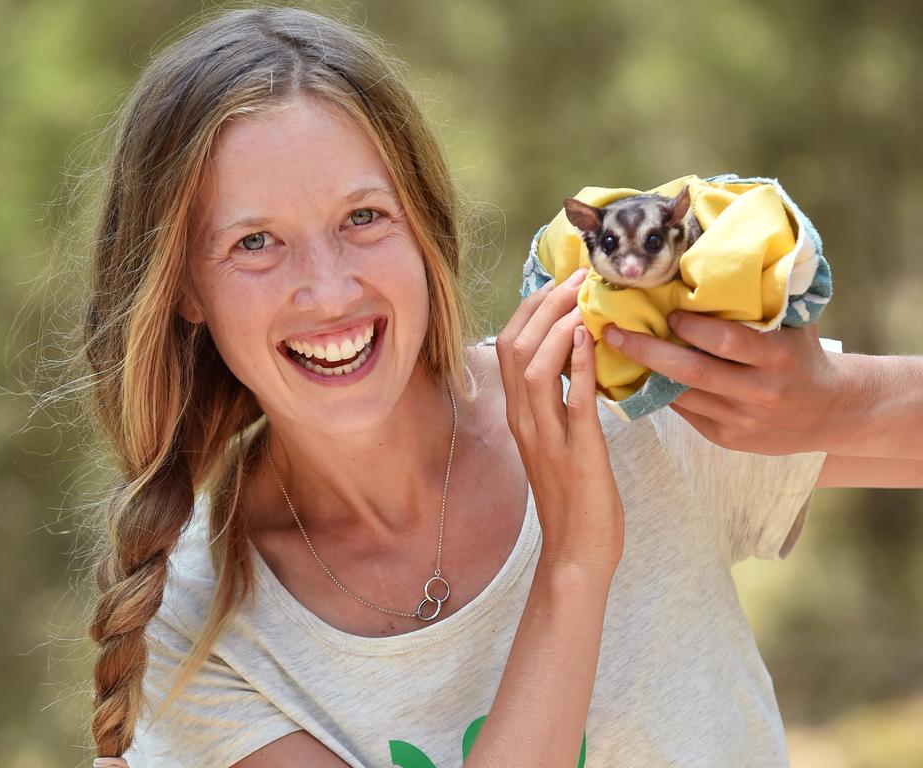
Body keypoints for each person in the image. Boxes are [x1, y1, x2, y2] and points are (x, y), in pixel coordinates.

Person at [80, 7, 923, 768]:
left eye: (364, 218)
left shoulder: (613, 391)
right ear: (184, 287)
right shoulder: (194, 626)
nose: (330, 290)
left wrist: (836, 400)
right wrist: (574, 563)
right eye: (257, 241)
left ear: (424, 226)